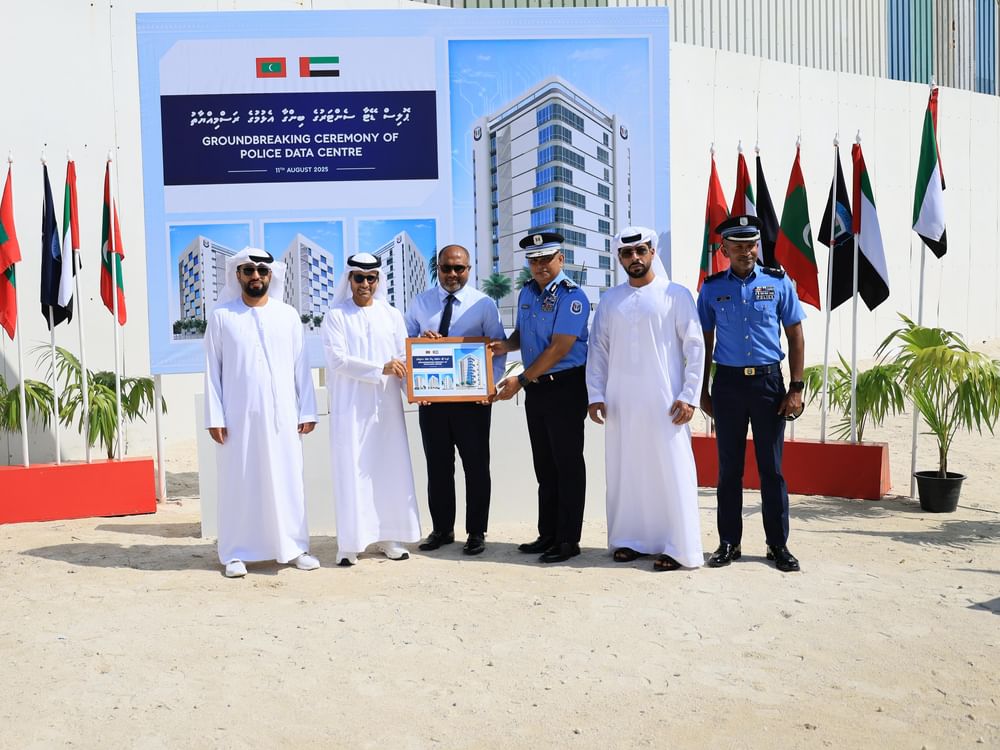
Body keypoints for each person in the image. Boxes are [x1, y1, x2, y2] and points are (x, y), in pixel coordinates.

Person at [586, 226, 705, 571]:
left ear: (653, 252)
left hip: (666, 402)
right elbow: (598, 349)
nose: (634, 258)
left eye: (641, 250)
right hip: (621, 403)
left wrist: (689, 396)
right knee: (626, 470)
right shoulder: (610, 300)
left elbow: (695, 347)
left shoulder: (675, 294)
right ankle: (630, 540)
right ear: (619, 258)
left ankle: (678, 547)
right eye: (627, 253)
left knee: (672, 470)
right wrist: (596, 394)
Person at [697, 215, 805, 572]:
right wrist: (702, 390)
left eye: (751, 244)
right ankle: (729, 542)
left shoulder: (778, 282)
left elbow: (795, 335)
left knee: (771, 469)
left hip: (768, 386)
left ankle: (778, 545)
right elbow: (704, 342)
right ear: (724, 249)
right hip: (727, 385)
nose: (746, 251)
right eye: (738, 246)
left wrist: (796, 388)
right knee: (729, 469)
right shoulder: (711, 289)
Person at [204, 247, 319, 578]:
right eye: (249, 270)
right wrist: (215, 417)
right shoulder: (222, 316)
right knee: (239, 482)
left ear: (271, 275)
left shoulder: (287, 315)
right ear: (238, 275)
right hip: (238, 418)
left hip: (283, 417)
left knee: (287, 480)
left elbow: (301, 366)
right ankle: (235, 553)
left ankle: (293, 548)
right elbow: (212, 371)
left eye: (262, 271)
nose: (256, 276)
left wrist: (307, 410)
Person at [492, 231, 589, 563]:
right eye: (534, 260)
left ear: (560, 259)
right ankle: (547, 534)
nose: (540, 266)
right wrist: (504, 346)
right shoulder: (527, 293)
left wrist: (520, 379)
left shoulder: (572, 297)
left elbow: (559, 348)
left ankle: (568, 540)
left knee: (567, 464)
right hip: (537, 387)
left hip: (564, 386)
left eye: (546, 259)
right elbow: (523, 334)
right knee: (545, 465)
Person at [405, 244, 507, 556]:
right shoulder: (420, 303)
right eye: (446, 268)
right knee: (437, 467)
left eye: (459, 268)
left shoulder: (484, 304)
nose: (452, 274)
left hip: (473, 403)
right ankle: (442, 529)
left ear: (468, 269)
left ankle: (476, 532)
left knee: (476, 468)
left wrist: (490, 387)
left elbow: (498, 348)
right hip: (432, 402)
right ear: (437, 268)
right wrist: (420, 343)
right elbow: (404, 345)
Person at [322, 252, 421, 566]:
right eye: (359, 278)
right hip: (350, 407)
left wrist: (416, 392)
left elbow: (402, 360)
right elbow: (337, 360)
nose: (365, 284)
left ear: (379, 280)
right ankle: (350, 543)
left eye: (371, 278)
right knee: (352, 469)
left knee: (389, 468)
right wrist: (381, 367)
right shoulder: (336, 315)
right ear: (349, 280)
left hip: (386, 406)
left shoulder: (391, 315)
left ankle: (389, 537)